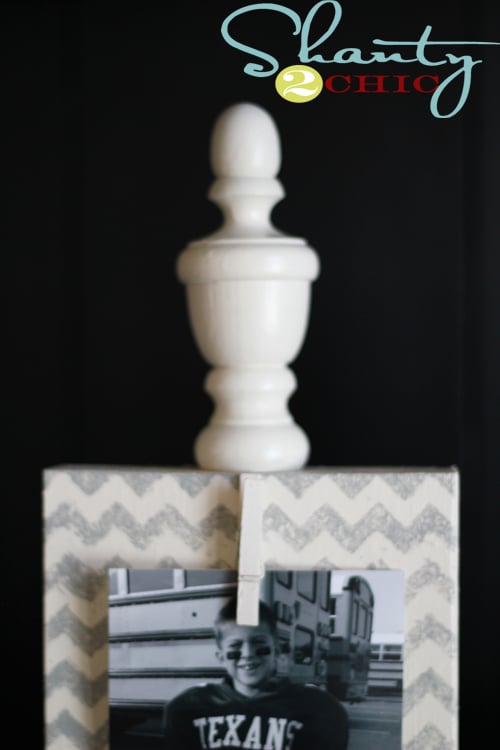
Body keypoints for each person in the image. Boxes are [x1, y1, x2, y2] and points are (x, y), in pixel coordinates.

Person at [164, 596, 349, 749]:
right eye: (235, 646)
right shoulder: (189, 707)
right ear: (221, 657)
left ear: (276, 650)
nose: (248, 654)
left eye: (259, 643)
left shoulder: (318, 709)